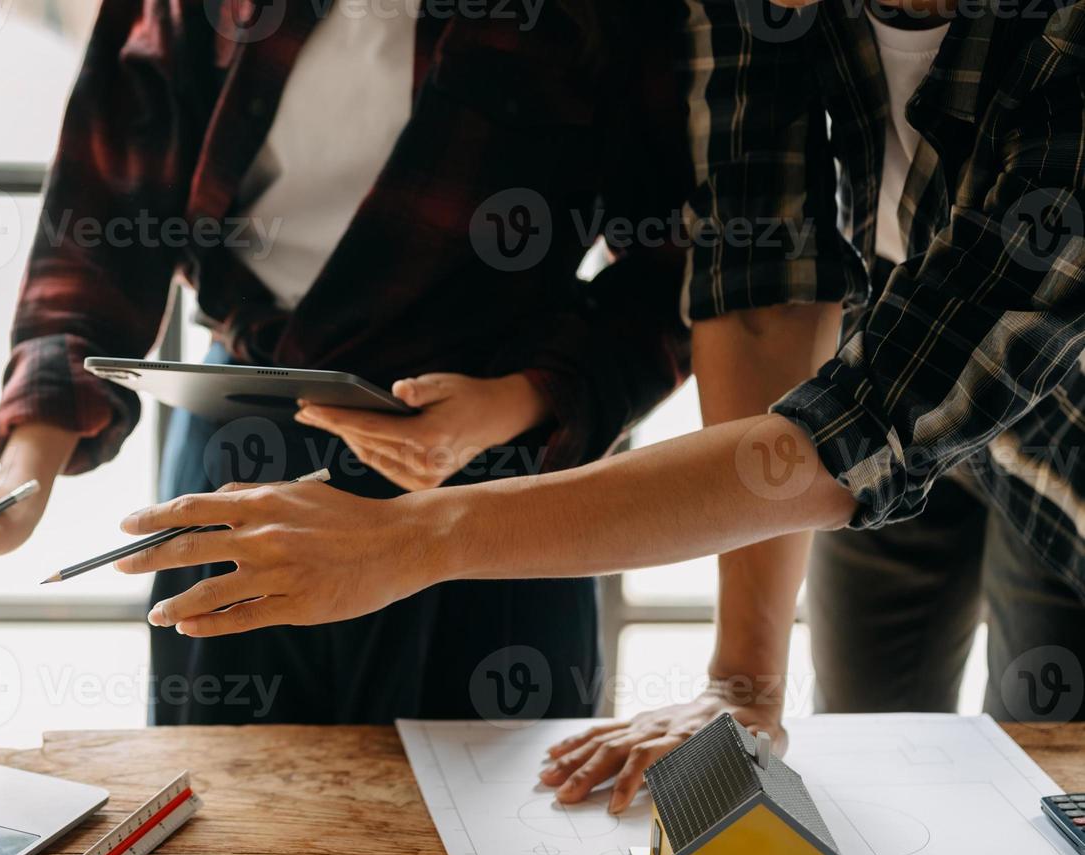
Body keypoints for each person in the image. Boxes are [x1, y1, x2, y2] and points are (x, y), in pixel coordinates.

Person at [113, 0, 1085, 749]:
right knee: (870, 754)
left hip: (1053, 432)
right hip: (886, 378)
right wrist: (742, 685)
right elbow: (760, 278)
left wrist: (411, 537)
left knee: (1053, 774)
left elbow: (848, 430)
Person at [0, 0, 693, 723]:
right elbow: (103, 210)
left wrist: (518, 401)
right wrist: (21, 473)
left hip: (492, 484)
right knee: (224, 845)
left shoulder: (613, 14)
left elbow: (680, 265)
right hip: (238, 460)